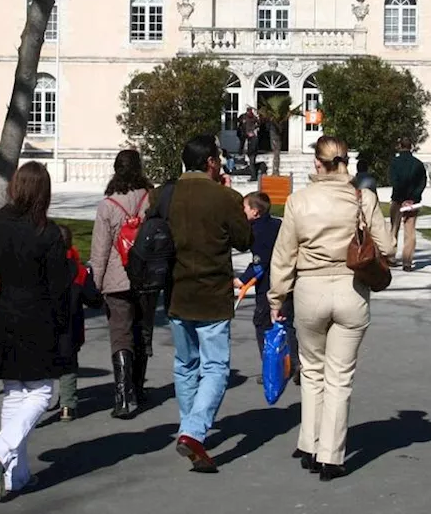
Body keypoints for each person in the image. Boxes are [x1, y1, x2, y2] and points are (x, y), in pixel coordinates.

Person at [269, 135, 394, 482]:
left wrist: (276, 298)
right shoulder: (362, 198)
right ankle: (331, 455)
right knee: (340, 377)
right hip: (351, 289)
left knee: (311, 371)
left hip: (310, 288)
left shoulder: (299, 200)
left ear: (317, 163)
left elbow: (284, 256)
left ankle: (309, 442)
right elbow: (388, 246)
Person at [0, 162, 72, 501]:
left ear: (15, 187)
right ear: (44, 192)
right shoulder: (47, 232)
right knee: (42, 393)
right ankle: (2, 449)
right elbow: (60, 287)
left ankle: (17, 475)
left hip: (2, 316)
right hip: (38, 317)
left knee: (14, 393)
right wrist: (64, 327)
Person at [166, 134, 253, 473]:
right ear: (212, 162)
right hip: (212, 292)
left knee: (185, 364)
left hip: (176, 290)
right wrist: (229, 196)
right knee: (215, 366)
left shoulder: (165, 194)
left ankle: (190, 427)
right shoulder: (224, 197)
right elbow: (245, 239)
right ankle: (193, 430)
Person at [89, 149, 154, 419]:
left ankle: (123, 395)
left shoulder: (108, 205)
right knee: (142, 330)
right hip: (147, 275)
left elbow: (100, 249)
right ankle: (138, 387)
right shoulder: (149, 199)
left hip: (117, 277)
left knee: (121, 334)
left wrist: (96, 281)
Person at [233, 191, 299, 383]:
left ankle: (270, 366)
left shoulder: (257, 232)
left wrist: (243, 280)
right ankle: (294, 362)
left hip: (268, 286)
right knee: (286, 322)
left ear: (255, 212)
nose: (242, 212)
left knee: (262, 323)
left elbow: (259, 263)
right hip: (288, 282)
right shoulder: (278, 225)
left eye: (244, 208)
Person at [57, 223, 101, 422]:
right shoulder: (79, 271)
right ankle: (67, 404)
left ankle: (35, 402)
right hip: (70, 326)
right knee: (68, 364)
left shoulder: (38, 268)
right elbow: (93, 299)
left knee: (41, 365)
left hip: (43, 325)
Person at [388, 138, 427, 272]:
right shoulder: (418, 164)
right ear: (411, 147)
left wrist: (401, 198)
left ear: (400, 146)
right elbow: (422, 183)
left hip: (398, 200)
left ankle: (391, 257)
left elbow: (395, 181)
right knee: (410, 232)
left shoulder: (395, 162)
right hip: (412, 202)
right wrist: (412, 197)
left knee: (394, 229)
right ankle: (407, 261)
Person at [237, 106, 261, 180]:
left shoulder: (254, 117)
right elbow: (238, 122)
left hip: (252, 150)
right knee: (242, 143)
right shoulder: (243, 116)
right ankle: (241, 155)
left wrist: (254, 128)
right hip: (244, 133)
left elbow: (258, 123)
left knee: (252, 162)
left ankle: (253, 176)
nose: (249, 112)